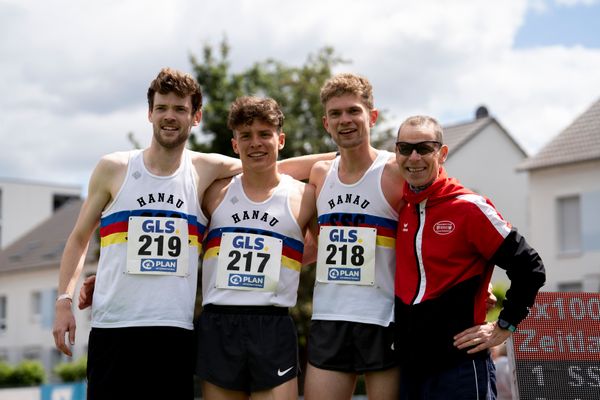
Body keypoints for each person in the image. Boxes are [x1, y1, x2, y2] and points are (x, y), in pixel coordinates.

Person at [52, 68, 328, 400]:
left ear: (195, 116)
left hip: (175, 332)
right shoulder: (114, 168)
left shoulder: (203, 170)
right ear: (149, 113)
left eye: (180, 109)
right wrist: (64, 301)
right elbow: (79, 238)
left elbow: (269, 164)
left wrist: (353, 158)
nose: (170, 116)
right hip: (114, 328)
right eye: (162, 108)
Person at [393, 115, 546, 399]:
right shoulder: (399, 206)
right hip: (411, 368)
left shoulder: (469, 207)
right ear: (396, 153)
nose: (414, 157)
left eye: (425, 148)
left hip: (460, 368)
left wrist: (505, 325)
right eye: (405, 148)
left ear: (442, 153)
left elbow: (530, 267)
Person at [195, 96, 317, 400]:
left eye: (265, 134)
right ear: (235, 144)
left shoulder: (305, 196)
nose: (255, 143)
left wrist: (287, 263)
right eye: (246, 136)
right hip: (219, 323)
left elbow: (329, 252)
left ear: (281, 139)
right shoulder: (213, 193)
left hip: (272, 323)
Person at [304, 73, 405, 400]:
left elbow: (436, 229)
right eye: (335, 114)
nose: (344, 120)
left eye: (353, 111)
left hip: (382, 318)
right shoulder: (321, 174)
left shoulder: (395, 172)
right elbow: (318, 246)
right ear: (326, 123)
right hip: (329, 317)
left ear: (371, 117)